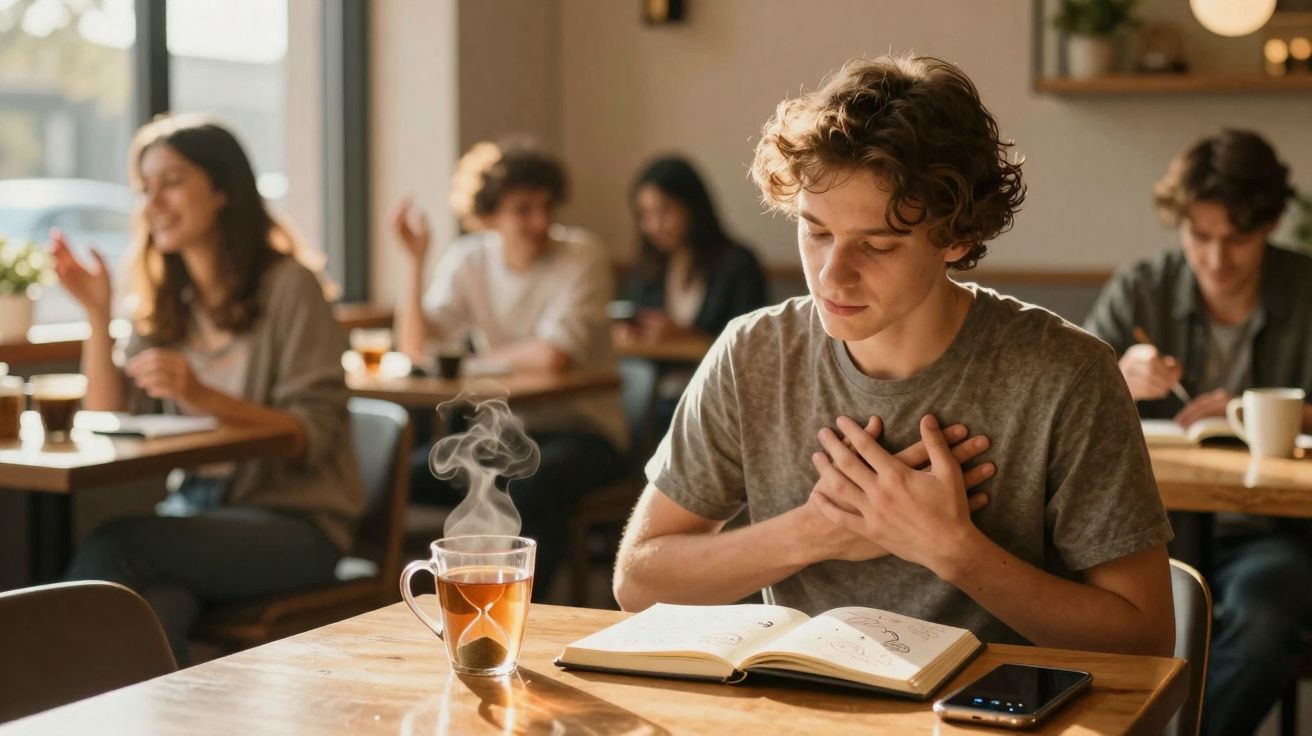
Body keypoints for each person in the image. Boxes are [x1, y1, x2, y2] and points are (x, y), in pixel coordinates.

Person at [612, 55, 1176, 658]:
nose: (832, 275)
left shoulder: (1066, 375)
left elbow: (1145, 640)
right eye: (816, 231)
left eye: (877, 245)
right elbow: (639, 580)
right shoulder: (754, 353)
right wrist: (815, 531)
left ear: (956, 239)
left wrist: (951, 548)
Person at [57, 114, 363, 662]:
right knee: (153, 607)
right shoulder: (169, 303)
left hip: (298, 524)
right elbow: (106, 414)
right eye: (144, 189)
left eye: (171, 182)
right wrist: (97, 315)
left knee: (117, 546)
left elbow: (309, 435)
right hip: (196, 514)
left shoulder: (290, 287)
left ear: (223, 189)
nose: (153, 204)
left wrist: (203, 397)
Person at [1084, 129, 1312, 736]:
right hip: (1149, 527)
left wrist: (1275, 412)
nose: (1215, 259)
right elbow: (1066, 403)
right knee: (1113, 617)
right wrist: (1117, 378)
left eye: (1237, 239)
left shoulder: (1305, 290)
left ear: (1268, 226)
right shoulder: (1142, 288)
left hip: (1275, 529)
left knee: (1266, 618)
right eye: (1200, 237)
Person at [392, 141, 627, 599]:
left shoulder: (583, 255)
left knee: (529, 482)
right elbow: (417, 347)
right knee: (400, 476)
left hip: (585, 433)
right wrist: (414, 262)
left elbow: (554, 355)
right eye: (523, 209)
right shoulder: (469, 259)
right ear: (488, 215)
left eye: (547, 207)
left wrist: (471, 363)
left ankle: (520, 616)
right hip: (499, 433)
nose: (540, 222)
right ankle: (418, 605)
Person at [619, 156, 767, 438]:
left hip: (717, 398)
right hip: (653, 396)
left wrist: (684, 336)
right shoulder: (647, 268)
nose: (654, 225)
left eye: (664, 211)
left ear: (693, 207)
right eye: (645, 215)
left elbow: (752, 347)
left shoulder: (737, 263)